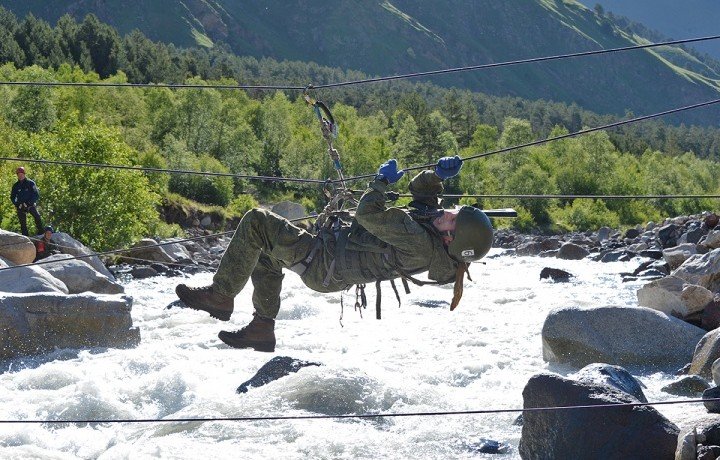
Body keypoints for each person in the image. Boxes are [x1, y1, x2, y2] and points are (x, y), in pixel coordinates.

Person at [175, 156, 494, 352]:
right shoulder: (434, 231)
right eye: (452, 211)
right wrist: (437, 176)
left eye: (453, 218)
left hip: (323, 261)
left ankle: (221, 295)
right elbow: (423, 197)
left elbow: (368, 215)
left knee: (257, 221)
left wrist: (380, 184)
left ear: (451, 238)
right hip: (327, 262)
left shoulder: (419, 241)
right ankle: (262, 328)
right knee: (265, 253)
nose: (447, 212)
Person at [10, 166, 43, 236]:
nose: (20, 176)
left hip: (30, 204)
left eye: (21, 174)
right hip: (20, 205)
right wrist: (17, 204)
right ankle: (25, 237)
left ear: (24, 174)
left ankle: (41, 233)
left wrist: (29, 203)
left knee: (37, 216)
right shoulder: (16, 185)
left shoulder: (31, 183)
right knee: (22, 223)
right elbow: (13, 197)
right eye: (18, 175)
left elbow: (36, 194)